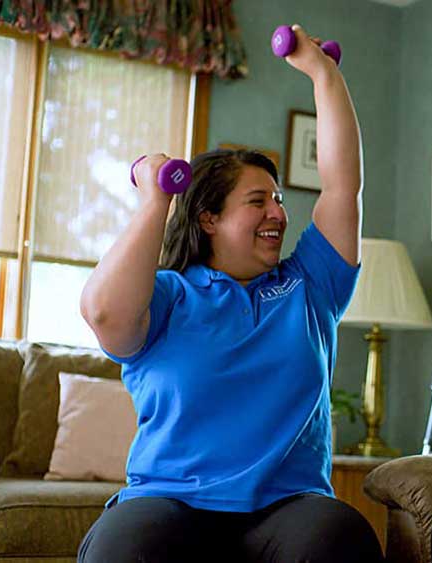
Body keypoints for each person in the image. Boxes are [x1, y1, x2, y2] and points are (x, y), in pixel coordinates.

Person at [77, 24, 382, 563]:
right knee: (124, 548)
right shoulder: (166, 296)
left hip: (288, 507)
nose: (279, 213)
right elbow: (103, 311)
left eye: (279, 199)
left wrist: (322, 74)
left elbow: (341, 186)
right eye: (257, 201)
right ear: (209, 218)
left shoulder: (310, 286)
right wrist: (155, 201)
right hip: (169, 501)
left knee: (340, 537)